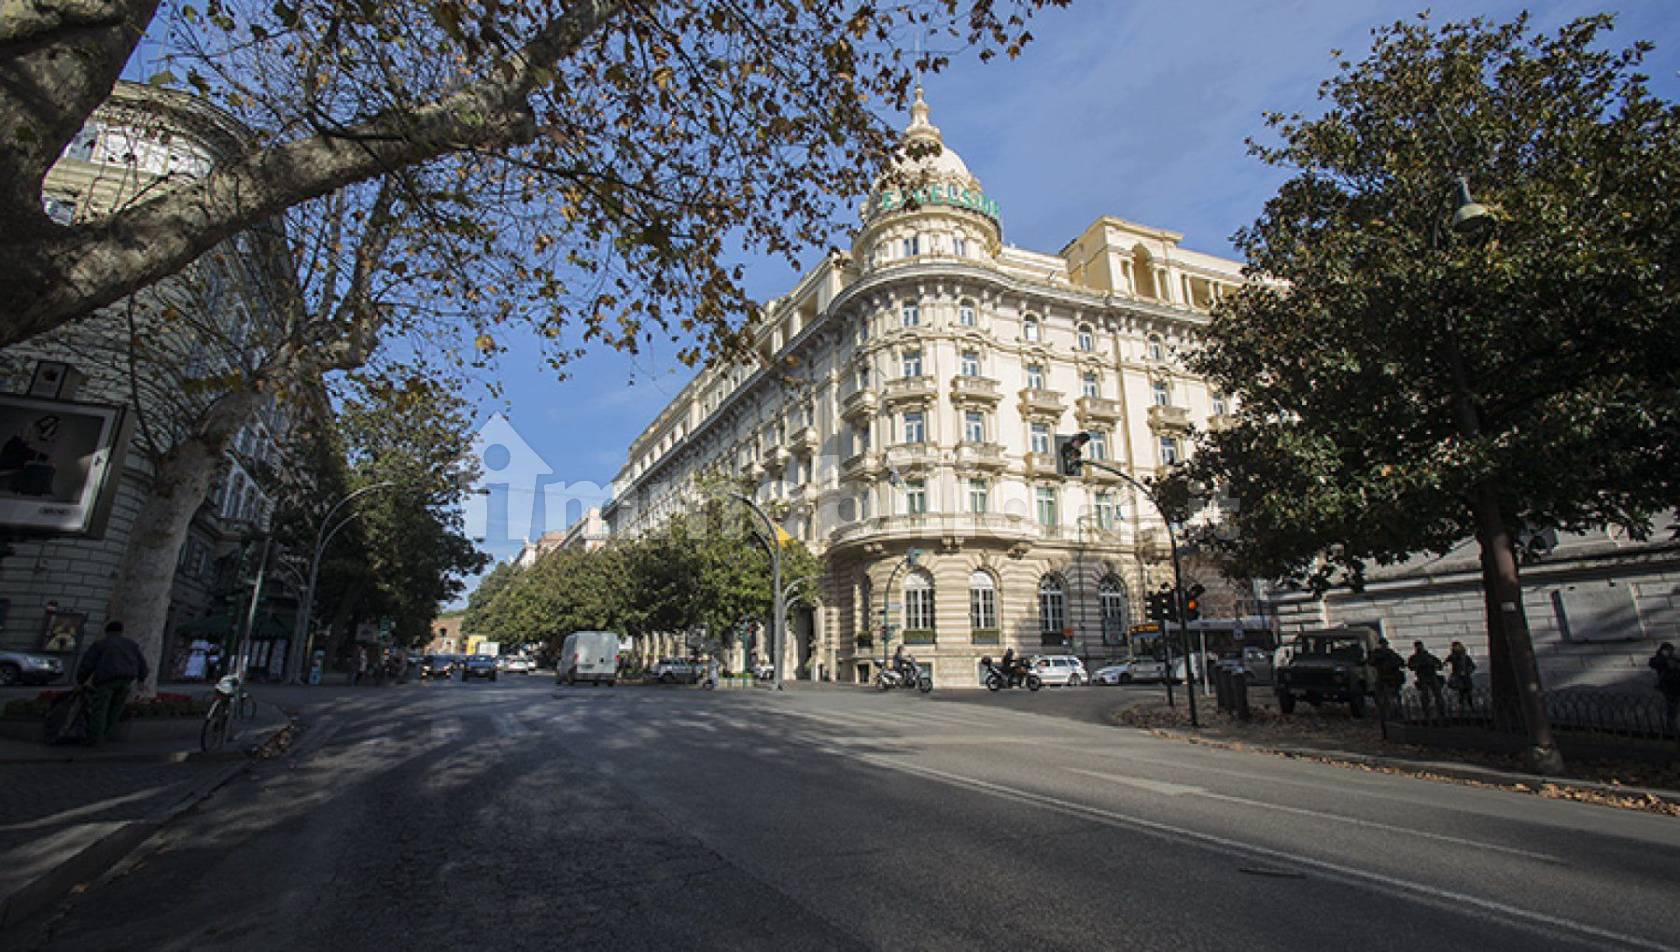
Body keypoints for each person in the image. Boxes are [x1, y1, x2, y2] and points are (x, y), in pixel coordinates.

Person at [75, 621, 149, 745]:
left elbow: (88, 663)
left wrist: (80, 680)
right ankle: (105, 734)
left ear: (107, 631)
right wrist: (141, 679)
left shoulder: (101, 644)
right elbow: (142, 663)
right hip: (126, 680)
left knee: (100, 709)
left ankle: (96, 738)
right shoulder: (131, 645)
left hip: (106, 680)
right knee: (115, 710)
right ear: (121, 631)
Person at [1407, 640, 1446, 718]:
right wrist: (1419, 665)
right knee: (1425, 696)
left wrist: (1434, 665)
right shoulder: (1414, 657)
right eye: (1417, 646)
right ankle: (1427, 713)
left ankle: (1441, 712)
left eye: (1420, 646)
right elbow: (1411, 666)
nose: (1419, 647)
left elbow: (1439, 665)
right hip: (1422, 677)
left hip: (1432, 676)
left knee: (1438, 695)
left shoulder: (1429, 656)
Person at [1649, 643, 1680, 736]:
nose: (1671, 652)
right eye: (1669, 650)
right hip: (1669, 688)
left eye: (1671, 650)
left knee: (1674, 709)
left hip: (1677, 686)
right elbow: (1653, 663)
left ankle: (1671, 727)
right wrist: (1664, 658)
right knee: (1672, 709)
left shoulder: (1674, 658)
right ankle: (1671, 728)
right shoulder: (1659, 659)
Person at [1368, 637, 1405, 712]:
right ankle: (1387, 711)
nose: (1384, 645)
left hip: (1393, 677)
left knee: (1395, 695)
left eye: (1385, 644)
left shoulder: (1391, 653)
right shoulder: (1377, 653)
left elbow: (1401, 662)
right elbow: (1371, 662)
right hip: (1383, 676)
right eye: (1383, 644)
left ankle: (1397, 710)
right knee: (1381, 695)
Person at [1446, 641, 1476, 706]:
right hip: (1458, 678)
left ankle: (1470, 707)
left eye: (1457, 646)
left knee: (1468, 693)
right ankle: (1462, 706)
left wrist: (1467, 671)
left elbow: (1473, 666)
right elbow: (1445, 662)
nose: (1455, 648)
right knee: (1461, 693)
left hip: (1465, 677)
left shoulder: (1465, 657)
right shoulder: (1452, 656)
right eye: (1454, 647)